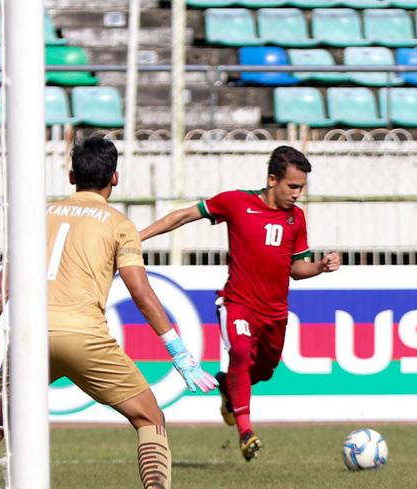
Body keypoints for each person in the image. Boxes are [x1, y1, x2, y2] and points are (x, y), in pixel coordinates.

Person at [0, 137, 218, 489]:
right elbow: (141, 293)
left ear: (71, 176)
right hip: (85, 338)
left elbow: (3, 283)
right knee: (149, 418)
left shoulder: (39, 216)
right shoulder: (120, 224)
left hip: (31, 338)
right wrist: (180, 354)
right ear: (115, 177)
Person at [139, 146, 341, 461]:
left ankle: (228, 390)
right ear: (272, 180)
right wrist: (138, 237)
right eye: (293, 186)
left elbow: (296, 269)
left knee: (264, 370)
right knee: (242, 353)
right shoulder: (236, 203)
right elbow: (183, 215)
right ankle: (246, 432)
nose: (298, 194)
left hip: (275, 314)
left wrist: (320, 267)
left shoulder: (295, 218)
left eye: (301, 187)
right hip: (237, 304)